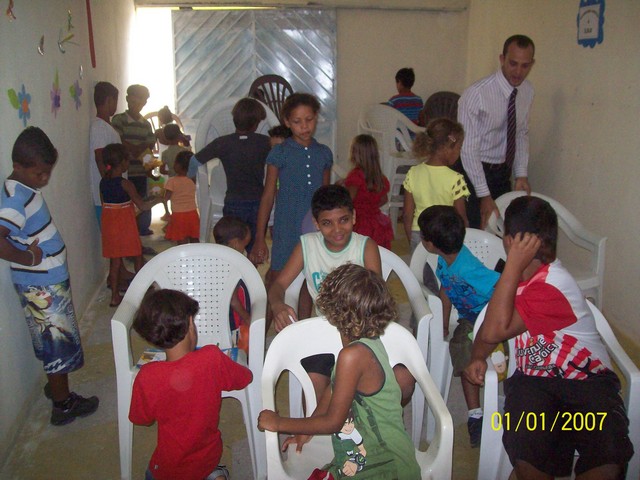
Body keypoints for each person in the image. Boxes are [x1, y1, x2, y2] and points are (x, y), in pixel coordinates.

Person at [464, 196, 634, 479]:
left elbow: (494, 330)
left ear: (510, 241)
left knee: (606, 456)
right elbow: (490, 326)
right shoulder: (513, 281)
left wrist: (511, 265)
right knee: (529, 456)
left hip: (586, 380)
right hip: (533, 382)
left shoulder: (553, 284)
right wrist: (478, 356)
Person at [258, 264, 420, 480]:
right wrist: (306, 430)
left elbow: (333, 422)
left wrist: (279, 423)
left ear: (334, 312)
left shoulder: (352, 356)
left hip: (385, 463)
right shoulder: (367, 340)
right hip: (365, 452)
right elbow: (334, 390)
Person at [0, 127, 99, 425]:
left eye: (47, 172)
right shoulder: (15, 199)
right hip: (42, 284)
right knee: (58, 342)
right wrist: (28, 257)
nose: (44, 179)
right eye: (39, 173)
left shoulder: (22, 189)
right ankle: (63, 404)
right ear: (18, 166)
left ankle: (55, 386)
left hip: (43, 280)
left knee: (51, 340)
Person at [268, 184, 382, 400]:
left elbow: (376, 298)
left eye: (343, 220)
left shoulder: (366, 247)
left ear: (354, 217)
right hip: (325, 330)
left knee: (395, 381)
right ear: (316, 223)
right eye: (327, 223)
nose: (337, 230)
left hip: (362, 330)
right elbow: (278, 285)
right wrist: (277, 305)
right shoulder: (307, 246)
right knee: (312, 387)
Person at [130, 289, 252, 480]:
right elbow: (245, 378)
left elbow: (141, 418)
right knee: (211, 470)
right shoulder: (211, 358)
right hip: (206, 460)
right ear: (190, 323)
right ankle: (214, 474)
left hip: (166, 469)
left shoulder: (147, 376)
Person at [418, 205, 500, 448]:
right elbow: (446, 288)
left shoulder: (468, 268)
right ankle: (476, 415)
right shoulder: (445, 261)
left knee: (472, 352)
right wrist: (443, 322)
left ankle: (485, 406)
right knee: (461, 348)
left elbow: (501, 290)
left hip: (491, 318)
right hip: (470, 319)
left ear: (430, 243)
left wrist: (493, 326)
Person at [250, 93, 333, 300]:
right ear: (287, 122)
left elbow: (326, 198)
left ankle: (303, 321)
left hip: (313, 228)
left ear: (316, 117)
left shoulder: (324, 153)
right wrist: (260, 238)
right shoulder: (279, 153)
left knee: (308, 280)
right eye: (297, 121)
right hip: (286, 228)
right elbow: (268, 196)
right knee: (277, 279)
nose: (304, 126)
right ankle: (265, 321)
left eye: (309, 119)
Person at [458, 34, 536, 229]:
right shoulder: (476, 94)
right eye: (513, 63)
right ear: (502, 59)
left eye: (525, 66)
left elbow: (520, 133)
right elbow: (468, 149)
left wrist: (521, 174)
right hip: (473, 171)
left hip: (503, 172)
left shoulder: (527, 91)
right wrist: (484, 195)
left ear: (532, 64)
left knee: (502, 231)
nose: (518, 71)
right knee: (475, 231)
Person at [190, 98, 271, 254]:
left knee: (231, 246)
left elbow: (194, 161)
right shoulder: (264, 142)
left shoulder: (222, 143)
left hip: (234, 202)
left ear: (234, 119)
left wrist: (191, 180)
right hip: (258, 203)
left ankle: (231, 267)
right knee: (253, 246)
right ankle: (251, 268)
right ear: (256, 123)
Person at [100, 144, 160, 306]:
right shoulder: (126, 184)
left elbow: (107, 205)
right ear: (122, 163)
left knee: (115, 261)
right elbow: (143, 206)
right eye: (127, 160)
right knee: (137, 254)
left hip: (110, 226)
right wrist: (159, 200)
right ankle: (141, 290)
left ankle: (114, 297)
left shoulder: (103, 182)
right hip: (125, 226)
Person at [403, 117, 470, 252]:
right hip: (445, 237)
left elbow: (407, 214)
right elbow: (461, 218)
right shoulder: (456, 179)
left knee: (420, 266)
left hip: (419, 234)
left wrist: (412, 240)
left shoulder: (412, 173)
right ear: (447, 148)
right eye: (459, 148)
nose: (459, 153)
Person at [111, 84, 157, 238]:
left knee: (143, 198)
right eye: (133, 101)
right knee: (128, 202)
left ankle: (142, 230)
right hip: (125, 172)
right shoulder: (119, 120)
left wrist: (150, 168)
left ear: (145, 103)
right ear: (127, 99)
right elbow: (118, 140)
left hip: (141, 171)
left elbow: (150, 143)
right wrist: (135, 148)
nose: (136, 105)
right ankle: (130, 232)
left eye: (140, 102)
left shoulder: (146, 124)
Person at [343, 134, 394, 250]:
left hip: (359, 222)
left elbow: (348, 201)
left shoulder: (355, 176)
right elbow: (384, 199)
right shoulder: (380, 178)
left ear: (355, 154)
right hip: (376, 221)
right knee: (378, 253)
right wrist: (371, 207)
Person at [213, 216, 252, 354]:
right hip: (234, 322)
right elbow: (233, 299)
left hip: (217, 320)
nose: (244, 250)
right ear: (235, 243)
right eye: (244, 245)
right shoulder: (232, 265)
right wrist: (248, 318)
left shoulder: (214, 260)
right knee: (240, 349)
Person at [89, 81, 121, 226]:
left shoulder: (107, 127)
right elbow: (100, 157)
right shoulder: (99, 127)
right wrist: (110, 186)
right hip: (107, 197)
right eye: (115, 101)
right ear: (109, 100)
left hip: (113, 194)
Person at [164, 151, 199, 245]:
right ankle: (197, 253)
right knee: (195, 239)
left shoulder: (172, 181)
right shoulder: (194, 179)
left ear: (178, 165)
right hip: (192, 213)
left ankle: (184, 255)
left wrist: (167, 212)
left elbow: (165, 199)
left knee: (182, 241)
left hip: (178, 216)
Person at [159, 123, 191, 221]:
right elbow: (191, 161)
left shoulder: (165, 153)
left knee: (170, 199)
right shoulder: (184, 150)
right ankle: (186, 215)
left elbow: (162, 170)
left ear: (165, 138)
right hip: (186, 180)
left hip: (172, 181)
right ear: (179, 135)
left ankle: (169, 214)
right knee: (185, 199)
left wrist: (170, 172)